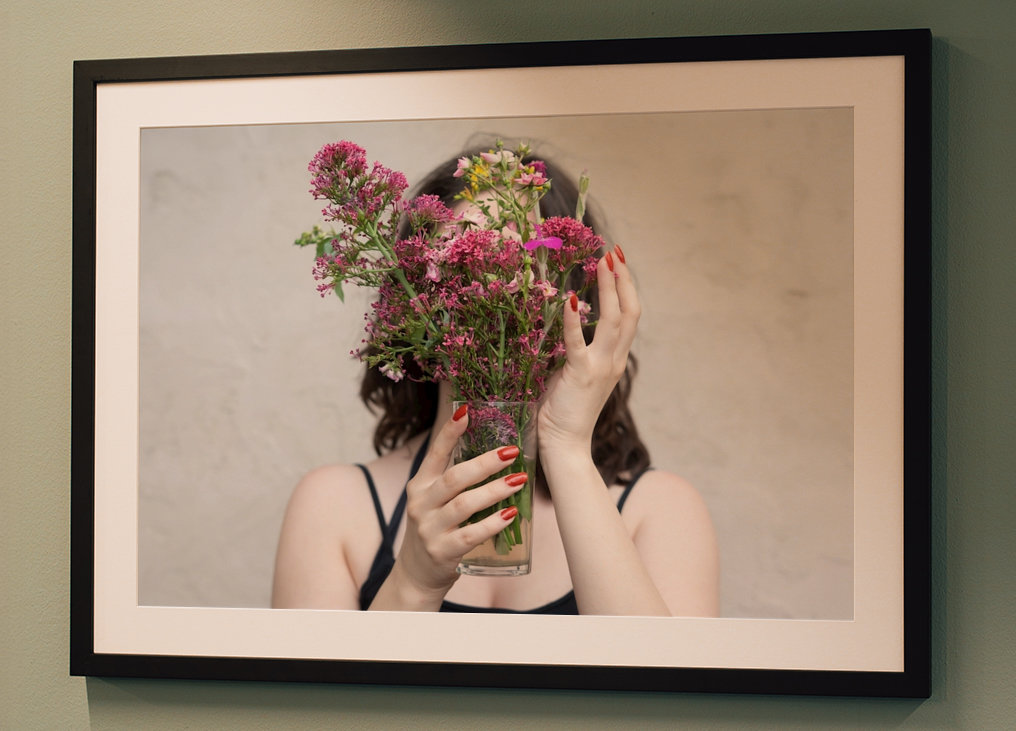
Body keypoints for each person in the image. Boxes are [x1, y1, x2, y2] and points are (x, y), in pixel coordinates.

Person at [271, 149, 719, 616]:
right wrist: (413, 581)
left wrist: (563, 445)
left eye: (516, 257)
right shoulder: (334, 505)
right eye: (463, 256)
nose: (489, 282)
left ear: (570, 293)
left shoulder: (661, 509)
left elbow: (649, 666)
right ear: (411, 296)